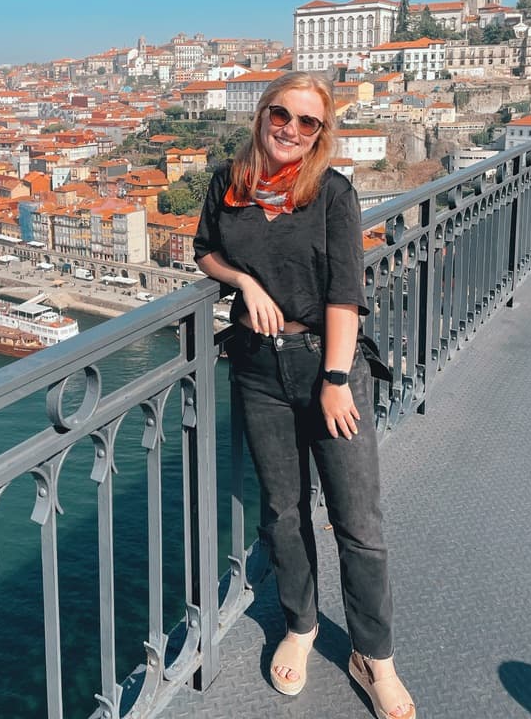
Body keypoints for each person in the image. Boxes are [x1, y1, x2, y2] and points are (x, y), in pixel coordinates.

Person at [194, 72, 415, 719]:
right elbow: (204, 251)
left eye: (307, 122)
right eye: (280, 114)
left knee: (359, 524)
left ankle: (374, 656)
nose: (290, 128)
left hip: (327, 364)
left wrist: (338, 380)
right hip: (259, 367)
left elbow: (346, 294)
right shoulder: (228, 185)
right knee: (282, 513)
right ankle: (301, 624)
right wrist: (245, 283)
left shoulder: (332, 194)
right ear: (263, 115)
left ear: (321, 133)